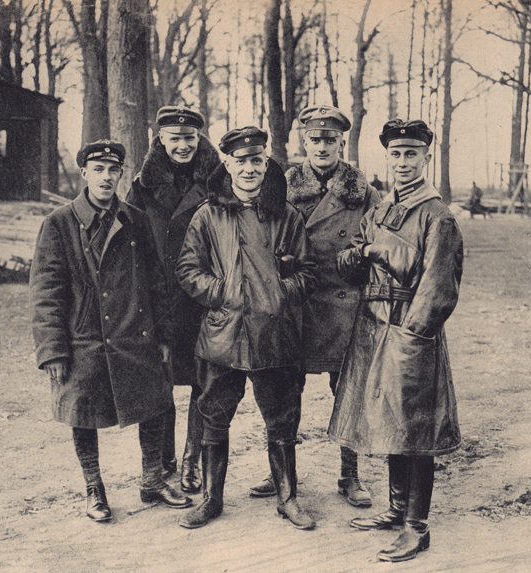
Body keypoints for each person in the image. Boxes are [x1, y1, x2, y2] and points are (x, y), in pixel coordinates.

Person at [30, 140, 192, 523]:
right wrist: (52, 350)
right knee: (82, 412)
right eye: (98, 169)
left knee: (155, 404)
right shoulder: (58, 224)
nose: (106, 177)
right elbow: (45, 294)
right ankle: (94, 487)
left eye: (113, 170)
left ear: (121, 174)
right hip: (83, 339)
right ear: (84, 173)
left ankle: (153, 479)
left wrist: (164, 337)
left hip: (134, 335)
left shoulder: (134, 219)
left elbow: (156, 284)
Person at [330, 120, 463, 562]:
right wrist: (364, 252)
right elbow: (348, 264)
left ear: (427, 157)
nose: (403, 162)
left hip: (408, 331)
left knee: (415, 429)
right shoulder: (383, 209)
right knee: (389, 421)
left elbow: (439, 288)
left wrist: (413, 335)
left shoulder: (437, 215)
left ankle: (416, 526)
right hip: (372, 326)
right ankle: (393, 509)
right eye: (396, 154)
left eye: (412, 154)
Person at [175, 126, 318, 530]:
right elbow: (187, 269)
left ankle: (288, 498)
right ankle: (210, 499)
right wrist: (222, 292)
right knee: (213, 415)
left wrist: (279, 292)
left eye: (257, 160)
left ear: (266, 162)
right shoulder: (208, 214)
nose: (250, 169)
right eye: (241, 162)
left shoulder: (287, 215)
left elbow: (309, 271)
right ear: (227, 164)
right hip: (223, 334)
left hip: (275, 335)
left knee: (282, 417)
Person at [248, 105, 381, 508]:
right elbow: (260, 238)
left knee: (348, 391)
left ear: (343, 143)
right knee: (285, 392)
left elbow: (378, 241)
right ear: (303, 142)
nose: (322, 146)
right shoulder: (279, 186)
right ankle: (282, 473)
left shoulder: (364, 191)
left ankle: (350, 474)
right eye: (315, 139)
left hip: (345, 304)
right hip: (295, 304)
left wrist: (359, 261)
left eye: (330, 140)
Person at [126, 106, 221, 495]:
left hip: (203, 299)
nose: (182, 146)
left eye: (189, 138)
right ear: (159, 138)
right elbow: (132, 245)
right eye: (174, 138)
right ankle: (162, 461)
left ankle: (191, 462)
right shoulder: (142, 185)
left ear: (200, 138)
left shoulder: (219, 179)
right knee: (158, 384)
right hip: (160, 300)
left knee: (204, 383)